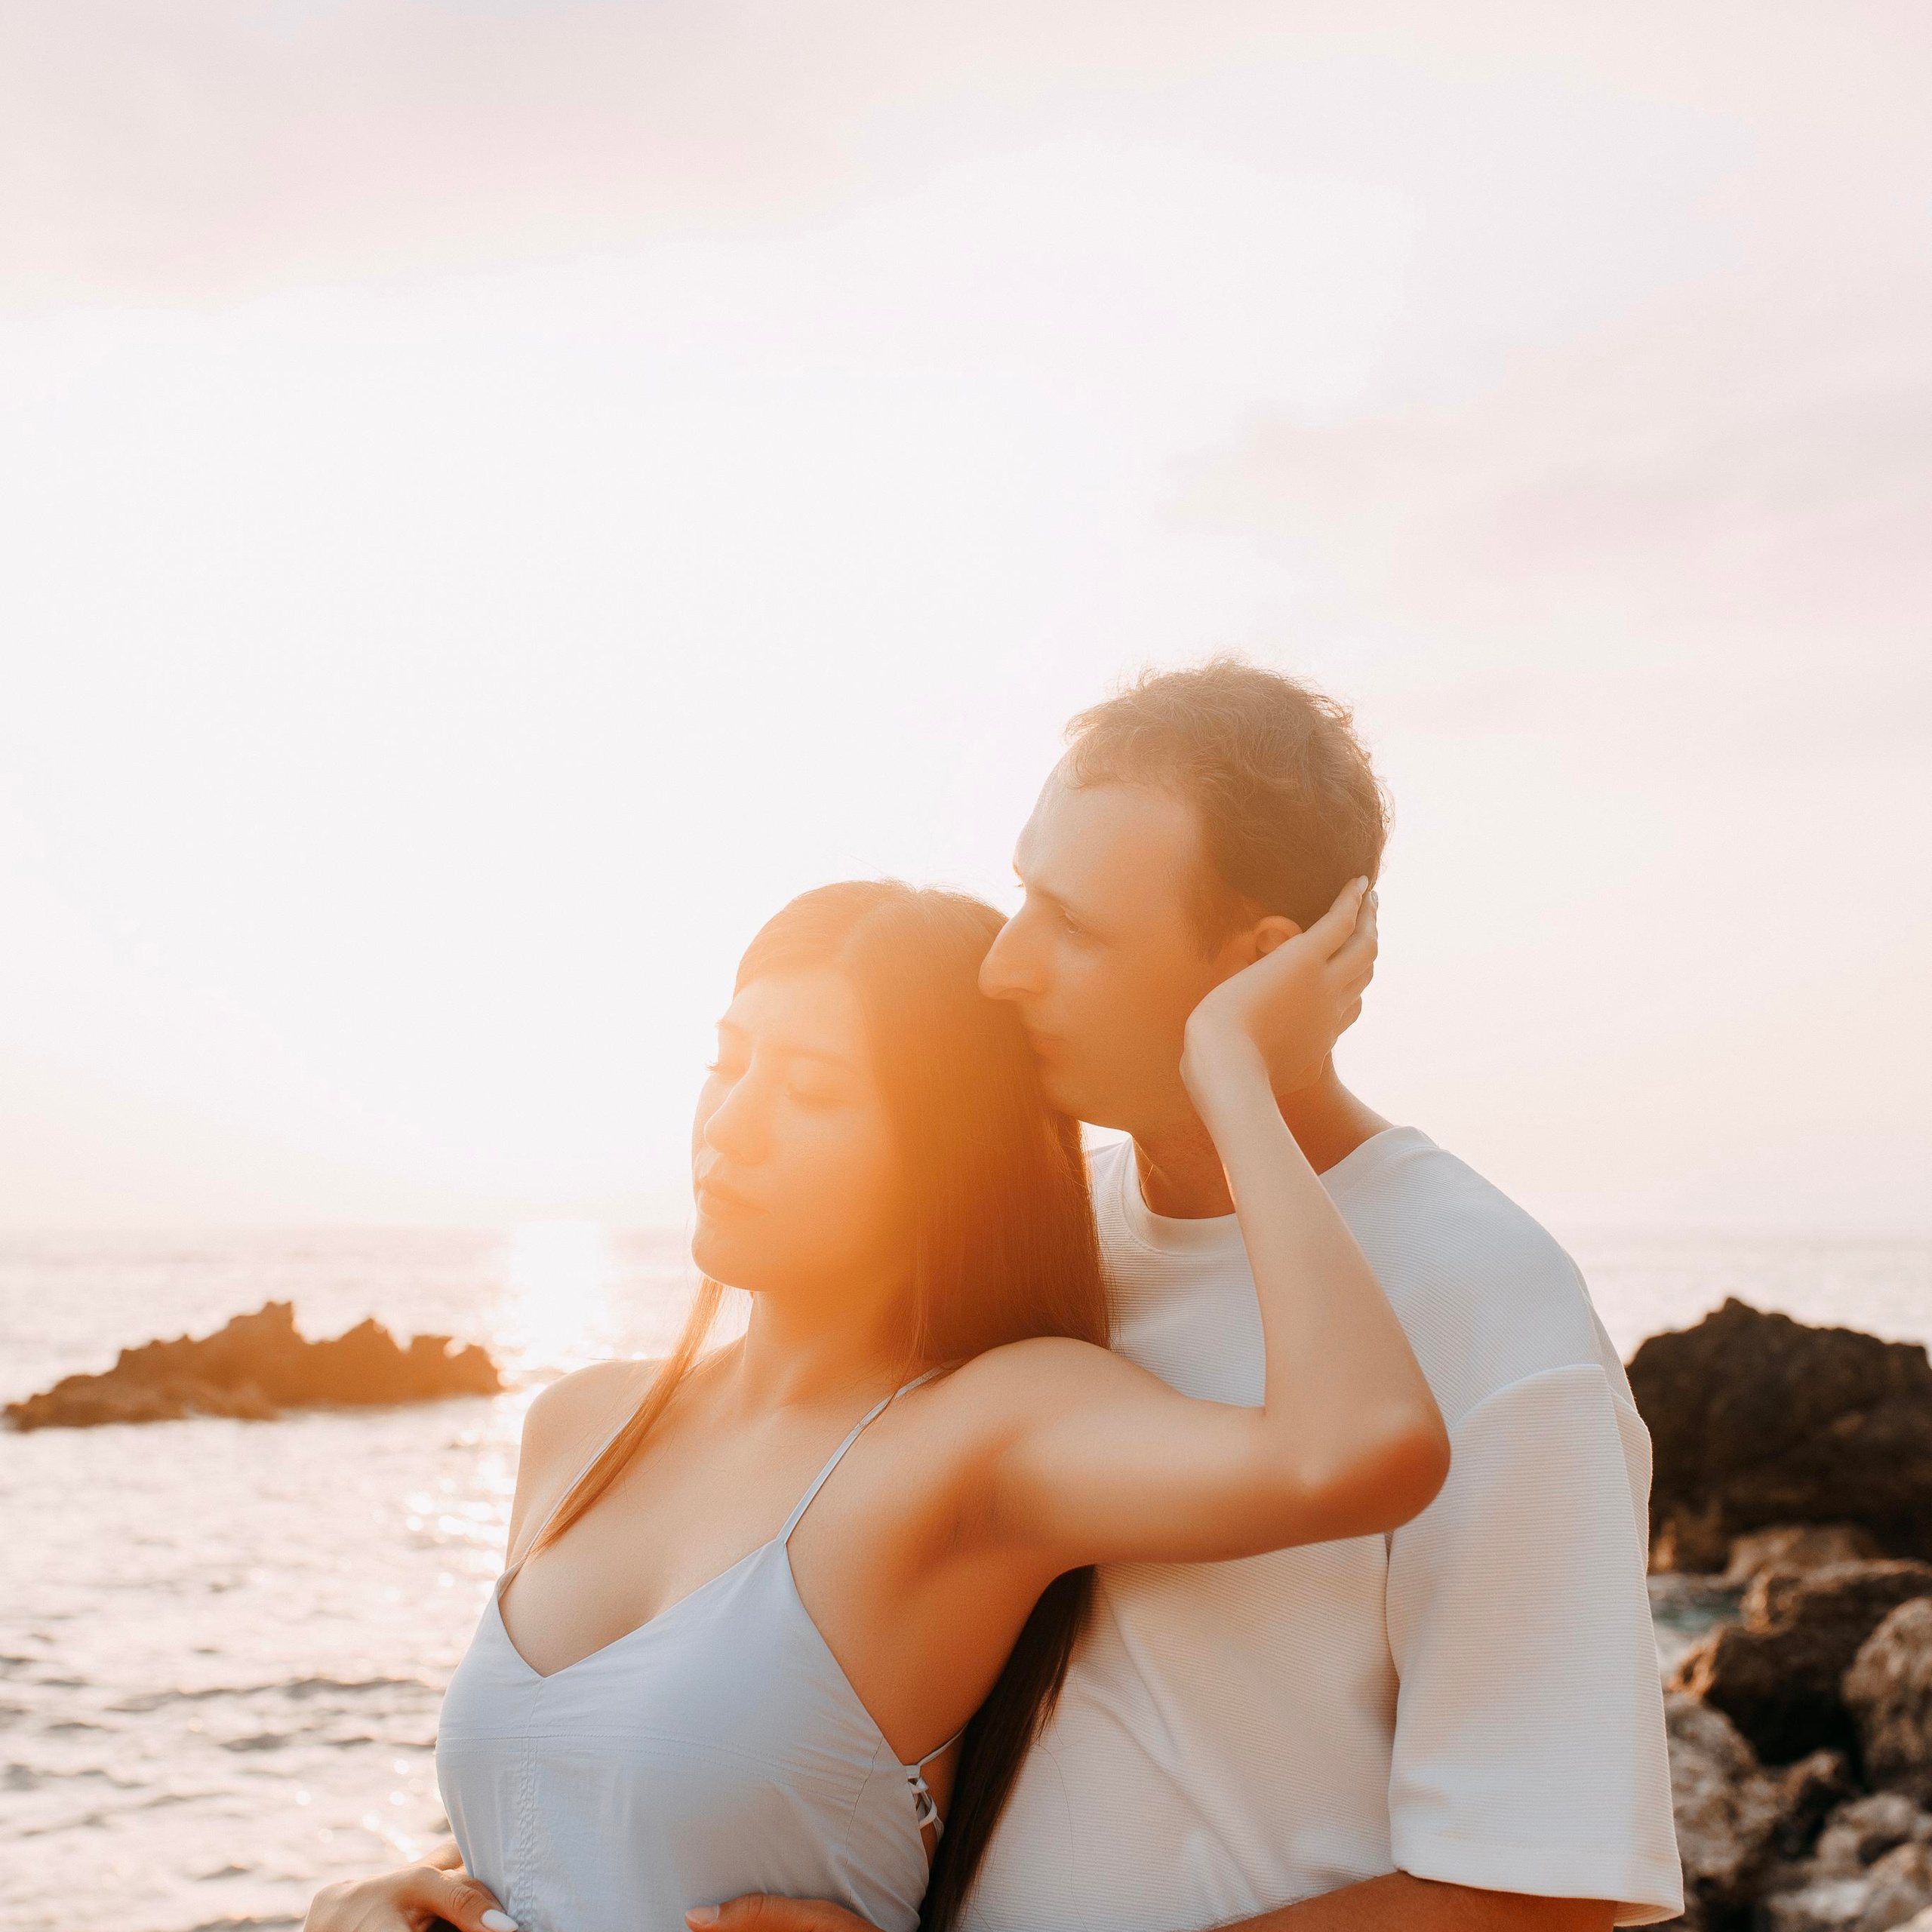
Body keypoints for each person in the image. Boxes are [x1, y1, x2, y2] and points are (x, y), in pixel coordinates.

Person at [693, 662, 1683, 1931]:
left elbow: (1529, 1898)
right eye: (1020, 899)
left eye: (1077, 929)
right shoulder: (1036, 1241)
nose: (1005, 969)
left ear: (1262, 968)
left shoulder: (1484, 1301)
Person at [304, 864, 1449, 1932]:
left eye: (809, 1089)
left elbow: (1358, 1451)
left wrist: (1236, 1080)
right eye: (729, 1058)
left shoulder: (979, 1435)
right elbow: (558, 1822)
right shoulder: (581, 1424)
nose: (733, 1122)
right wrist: (376, 1902)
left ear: (944, 1152)